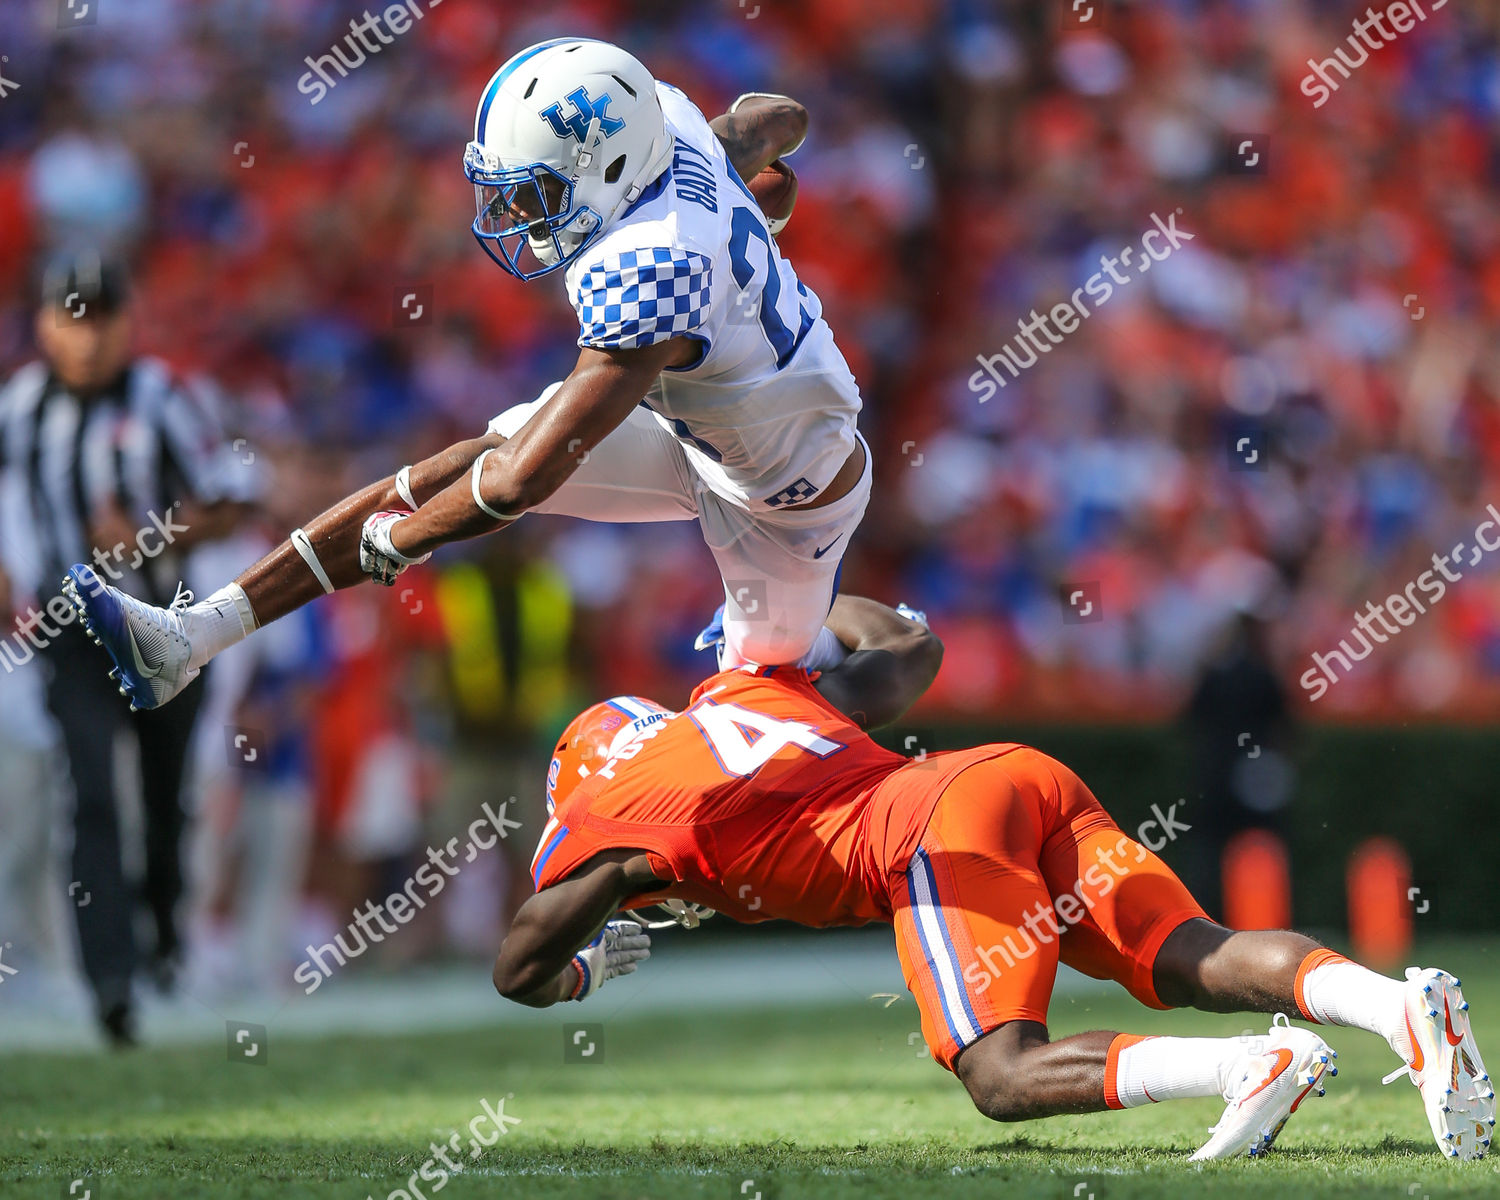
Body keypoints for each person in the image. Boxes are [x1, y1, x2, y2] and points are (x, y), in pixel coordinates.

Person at [491, 596, 1494, 1162]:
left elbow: (515, 963)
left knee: (1000, 1074)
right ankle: (1399, 1009)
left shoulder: (614, 806)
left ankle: (1244, 1066)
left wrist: (595, 934)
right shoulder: (746, 692)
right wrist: (806, 597)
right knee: (1194, 952)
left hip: (934, 832)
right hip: (1010, 775)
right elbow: (912, 649)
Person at [65, 38, 870, 710]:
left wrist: (397, 545)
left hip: (786, 494)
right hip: (696, 425)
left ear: (614, 163)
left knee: (771, 718)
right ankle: (191, 637)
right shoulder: (668, 135)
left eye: (539, 192)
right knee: (456, 460)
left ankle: (889, 652)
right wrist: (748, 194)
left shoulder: (654, 264)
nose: (516, 214)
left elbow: (524, 484)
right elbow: (776, 119)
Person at [0, 251, 249, 1044]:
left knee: (164, 793)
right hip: (72, 630)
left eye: (100, 317)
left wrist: (150, 533)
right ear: (43, 324)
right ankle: (110, 979)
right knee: (92, 797)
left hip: (162, 615)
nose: (86, 336)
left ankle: (166, 934)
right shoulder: (21, 405)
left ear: (126, 322)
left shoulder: (166, 398)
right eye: (70, 317)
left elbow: (231, 506)